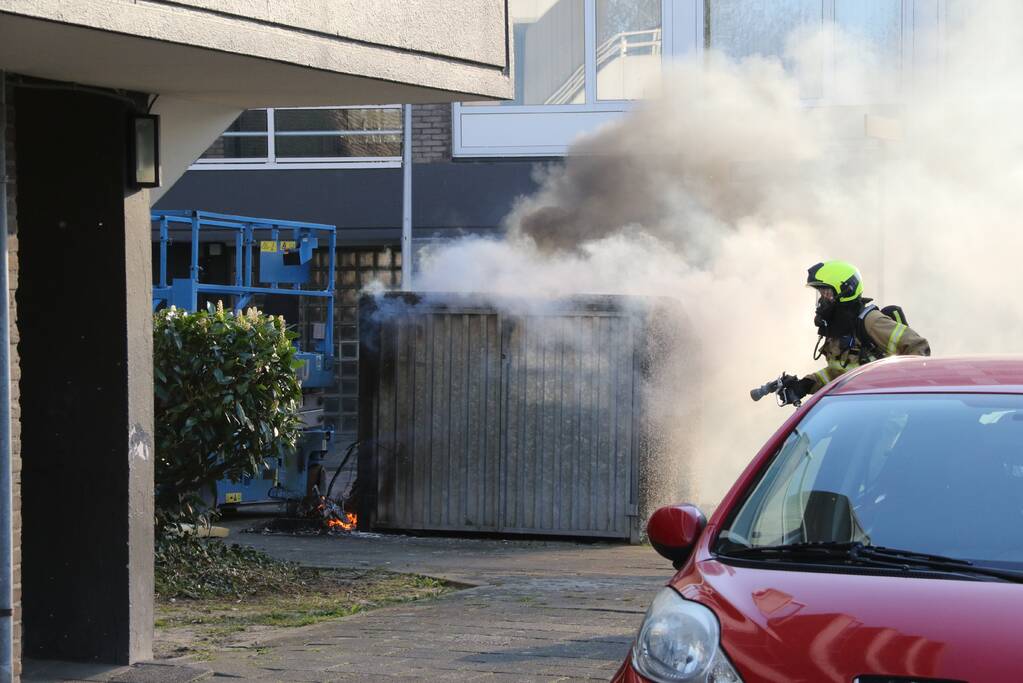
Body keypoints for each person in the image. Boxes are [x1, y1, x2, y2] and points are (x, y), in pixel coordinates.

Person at [785, 260, 930, 400]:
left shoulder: (871, 322)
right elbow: (839, 373)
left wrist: (902, 392)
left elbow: (918, 347)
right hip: (859, 408)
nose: (822, 300)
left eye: (827, 293)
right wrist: (806, 385)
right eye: (821, 294)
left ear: (846, 291)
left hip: (887, 414)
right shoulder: (839, 327)